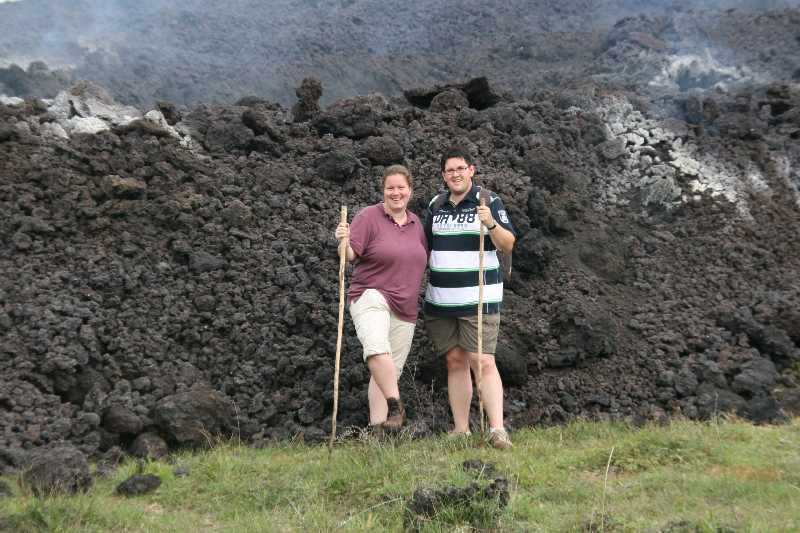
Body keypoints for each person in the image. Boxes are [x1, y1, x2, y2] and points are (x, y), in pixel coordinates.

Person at [424, 145, 517, 449]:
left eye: (460, 168)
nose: (455, 174)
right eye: (450, 170)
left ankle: (497, 429)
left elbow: (508, 244)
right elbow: (424, 246)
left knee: (483, 360)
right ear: (443, 175)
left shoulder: (488, 201)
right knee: (455, 361)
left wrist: (490, 222)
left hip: (478, 298)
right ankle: (461, 429)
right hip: (441, 300)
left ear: (471, 170)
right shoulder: (436, 205)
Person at [334, 165, 428, 431]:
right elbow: (350, 255)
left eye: (401, 188)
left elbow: (423, 258)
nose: (396, 193)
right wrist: (343, 242)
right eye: (390, 188)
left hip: (406, 306)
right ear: (383, 190)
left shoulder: (416, 224)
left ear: (410, 191)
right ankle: (397, 407)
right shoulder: (369, 216)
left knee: (387, 373)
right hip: (370, 295)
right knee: (376, 348)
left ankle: (377, 429)